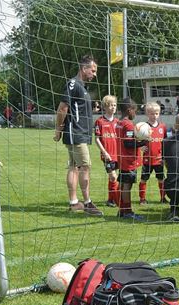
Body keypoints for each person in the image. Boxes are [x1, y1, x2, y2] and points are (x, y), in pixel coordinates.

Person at [53, 55, 102, 216]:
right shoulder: (74, 84)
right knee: (85, 167)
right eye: (93, 70)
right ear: (84, 68)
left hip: (80, 133)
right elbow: (62, 108)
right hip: (76, 133)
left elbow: (77, 109)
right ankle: (87, 203)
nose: (94, 74)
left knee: (74, 167)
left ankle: (74, 203)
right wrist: (59, 129)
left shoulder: (82, 87)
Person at [117, 97, 147, 220]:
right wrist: (143, 142)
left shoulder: (119, 122)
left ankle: (122, 210)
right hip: (129, 160)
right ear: (129, 110)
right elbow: (128, 144)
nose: (135, 113)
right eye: (135, 110)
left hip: (122, 158)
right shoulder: (128, 124)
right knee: (127, 186)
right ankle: (127, 211)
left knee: (124, 184)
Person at [94, 95, 120, 208]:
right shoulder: (100, 121)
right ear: (105, 107)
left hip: (118, 154)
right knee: (113, 176)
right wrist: (104, 152)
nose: (113, 107)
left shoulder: (118, 122)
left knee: (114, 177)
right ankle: (115, 199)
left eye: (114, 105)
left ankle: (110, 199)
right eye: (111, 105)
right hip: (107, 155)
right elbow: (97, 139)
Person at [139, 102, 167, 205]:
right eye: (151, 113)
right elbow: (137, 139)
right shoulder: (143, 127)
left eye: (156, 113)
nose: (154, 115)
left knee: (161, 179)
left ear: (159, 114)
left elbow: (165, 143)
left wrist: (164, 157)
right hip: (147, 159)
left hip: (159, 159)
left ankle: (163, 198)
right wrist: (141, 146)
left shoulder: (162, 127)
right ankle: (142, 199)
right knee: (143, 179)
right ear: (147, 114)